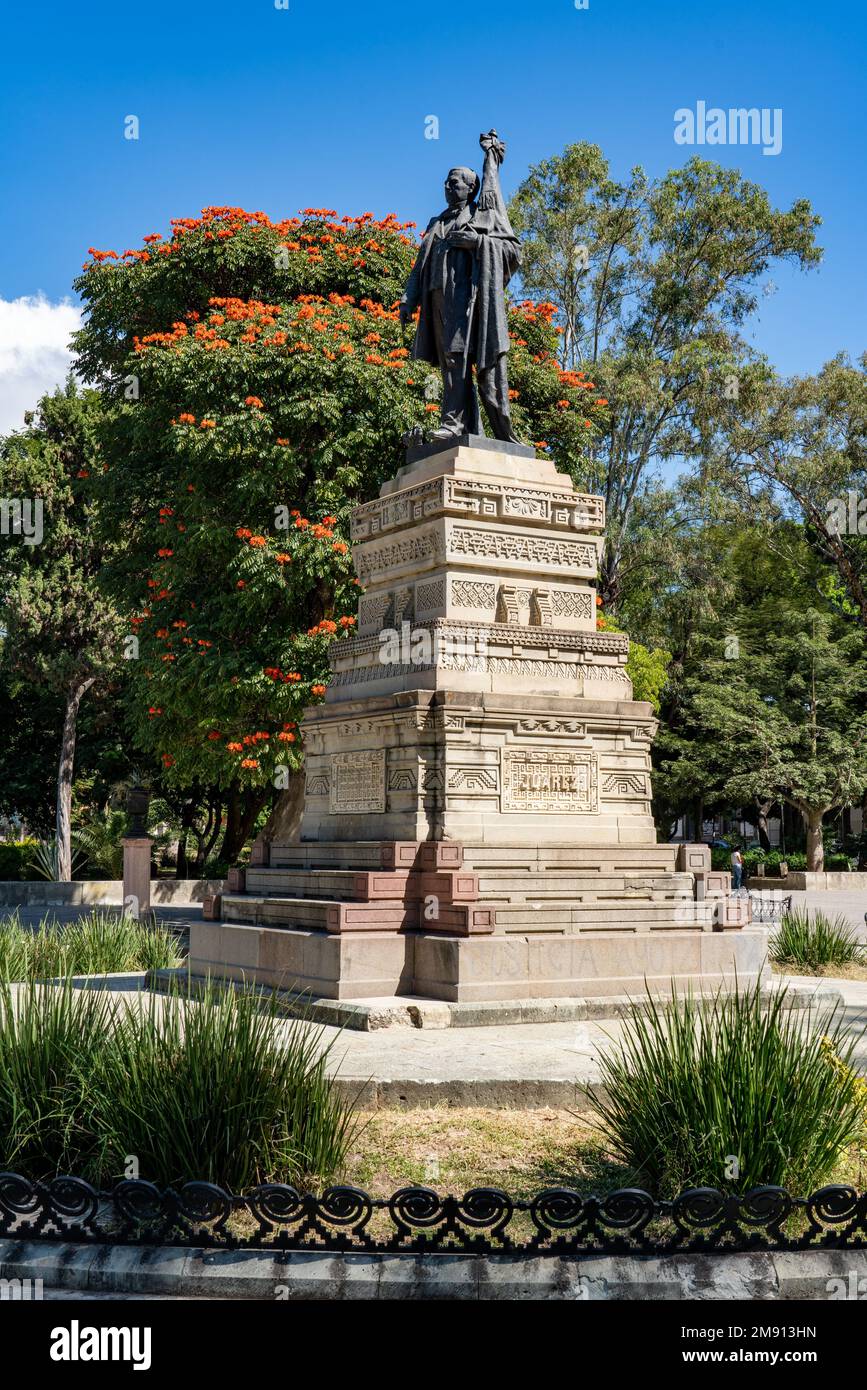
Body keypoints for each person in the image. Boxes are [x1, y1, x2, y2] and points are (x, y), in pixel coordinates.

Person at [399, 131, 522, 444]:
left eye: (454, 182)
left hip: (468, 300)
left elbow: (512, 252)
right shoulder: (436, 223)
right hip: (438, 300)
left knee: (458, 359)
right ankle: (463, 427)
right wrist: (408, 298)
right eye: (446, 182)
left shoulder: (482, 216)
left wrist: (477, 242)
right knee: (450, 364)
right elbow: (420, 265)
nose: (447, 187)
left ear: (472, 187)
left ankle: (455, 424)